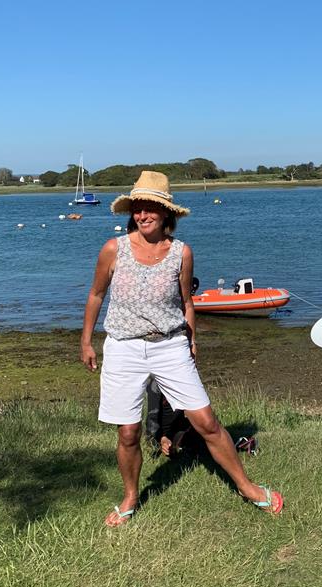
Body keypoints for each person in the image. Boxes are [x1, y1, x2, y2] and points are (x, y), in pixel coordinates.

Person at [81, 170, 283, 526]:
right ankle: (130, 497)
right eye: (138, 208)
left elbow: (186, 301)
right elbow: (97, 294)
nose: (143, 215)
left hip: (170, 345)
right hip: (123, 348)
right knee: (128, 431)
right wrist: (86, 341)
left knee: (205, 420)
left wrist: (191, 337)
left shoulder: (180, 253)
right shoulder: (115, 249)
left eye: (151, 208)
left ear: (166, 213)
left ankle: (246, 487)